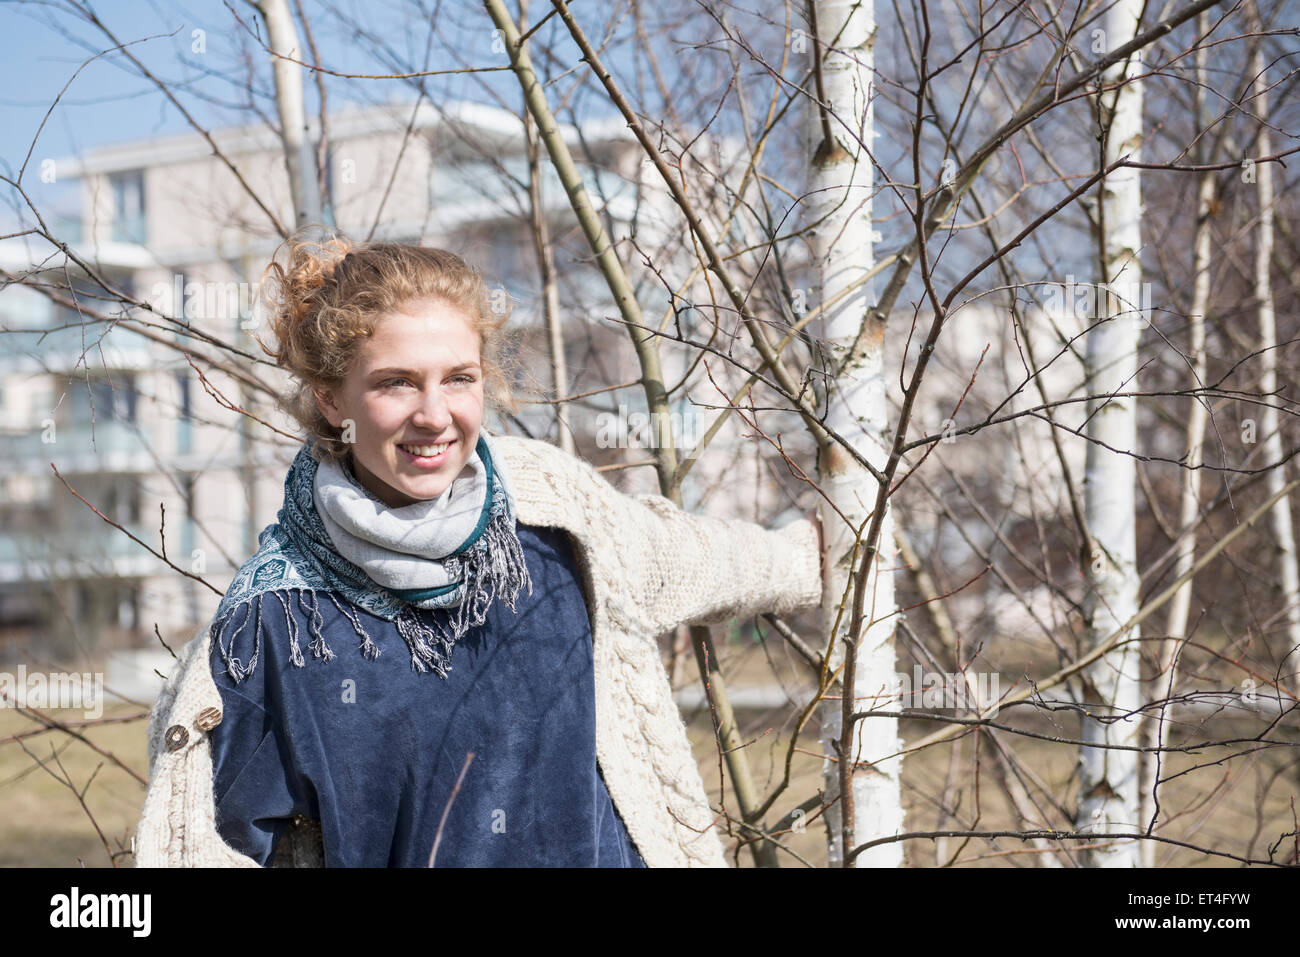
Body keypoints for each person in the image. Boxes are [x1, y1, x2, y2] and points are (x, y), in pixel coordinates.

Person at [133, 231, 825, 868]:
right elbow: (197, 843)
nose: (434, 414)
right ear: (332, 398)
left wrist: (823, 556)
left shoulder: (554, 510)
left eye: (458, 378)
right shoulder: (275, 619)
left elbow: (687, 556)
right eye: (396, 381)